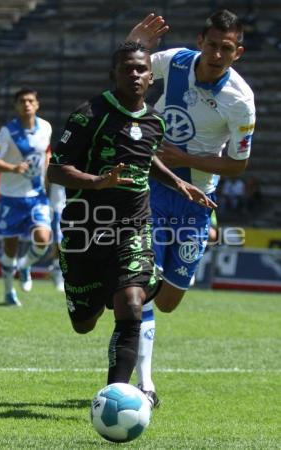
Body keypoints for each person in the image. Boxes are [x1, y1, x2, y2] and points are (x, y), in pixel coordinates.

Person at [47, 42, 216, 408]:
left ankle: (116, 399)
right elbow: (56, 169)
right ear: (114, 74)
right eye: (127, 69)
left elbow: (148, 158)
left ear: (151, 76)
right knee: (84, 323)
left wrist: (179, 183)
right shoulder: (89, 115)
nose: (135, 74)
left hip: (134, 227)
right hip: (86, 230)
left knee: (133, 302)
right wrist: (98, 182)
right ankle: (86, 300)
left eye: (141, 69)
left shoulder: (154, 121)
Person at [127, 10, 256, 400]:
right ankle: (145, 384)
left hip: (196, 199)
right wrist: (133, 45)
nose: (218, 53)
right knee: (142, 286)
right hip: (154, 183)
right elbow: (131, 70)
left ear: (238, 53)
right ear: (201, 41)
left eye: (227, 48)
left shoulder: (241, 101)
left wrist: (187, 159)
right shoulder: (177, 61)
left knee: (168, 301)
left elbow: (239, 164)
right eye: (213, 44)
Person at [0, 88, 52, 306]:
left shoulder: (46, 127)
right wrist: (14, 168)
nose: (27, 104)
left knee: (43, 239)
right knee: (10, 249)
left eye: (31, 100)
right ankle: (8, 292)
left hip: (36, 195)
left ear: (37, 104)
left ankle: (25, 265)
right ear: (16, 106)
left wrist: (48, 170)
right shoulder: (8, 131)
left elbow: (47, 151)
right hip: (11, 197)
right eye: (22, 101)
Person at [49, 182, 66, 291]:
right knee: (59, 243)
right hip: (56, 208)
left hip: (72, 206)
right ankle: (57, 272)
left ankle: (57, 270)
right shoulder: (54, 165)